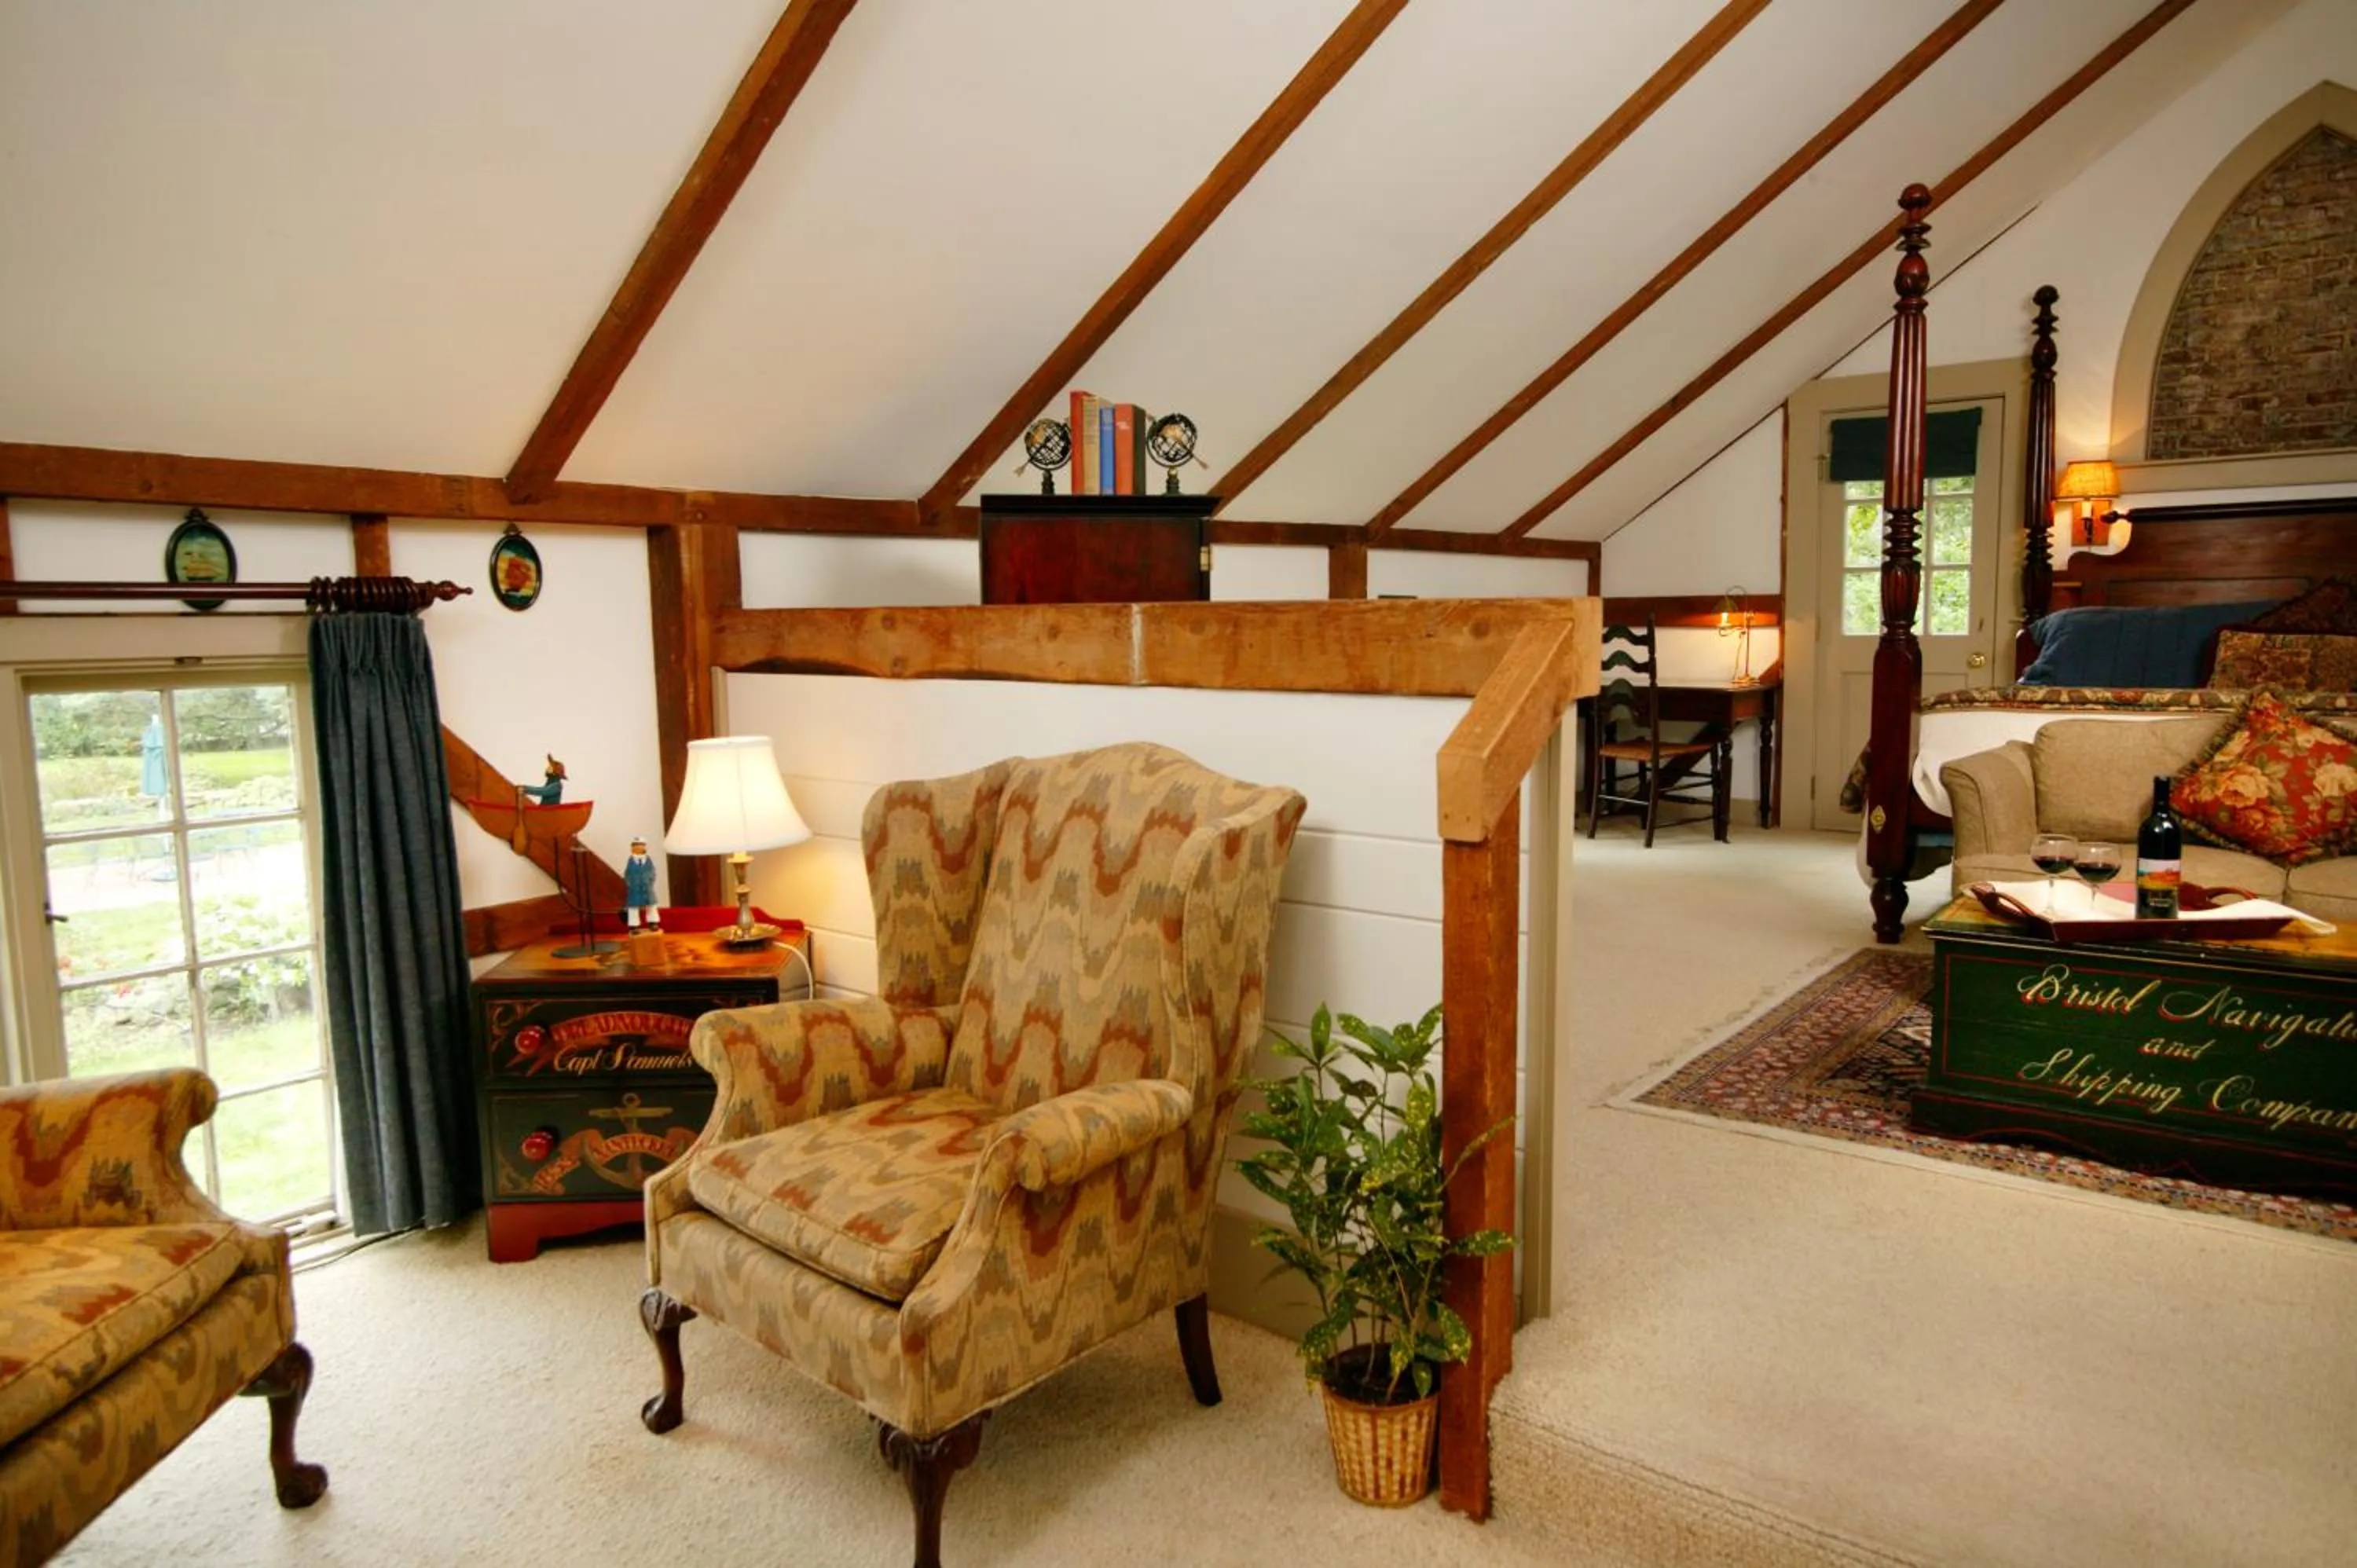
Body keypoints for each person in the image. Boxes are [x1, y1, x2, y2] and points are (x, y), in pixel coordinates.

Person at [624, 837, 659, 932]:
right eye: (635, 845)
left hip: (647, 887)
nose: (638, 847)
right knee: (633, 907)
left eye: (640, 845)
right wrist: (630, 884)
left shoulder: (648, 860)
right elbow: (627, 874)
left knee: (651, 906)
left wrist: (650, 881)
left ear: (644, 847)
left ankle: (653, 922)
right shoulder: (630, 860)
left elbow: (653, 872)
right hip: (634, 888)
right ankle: (633, 925)